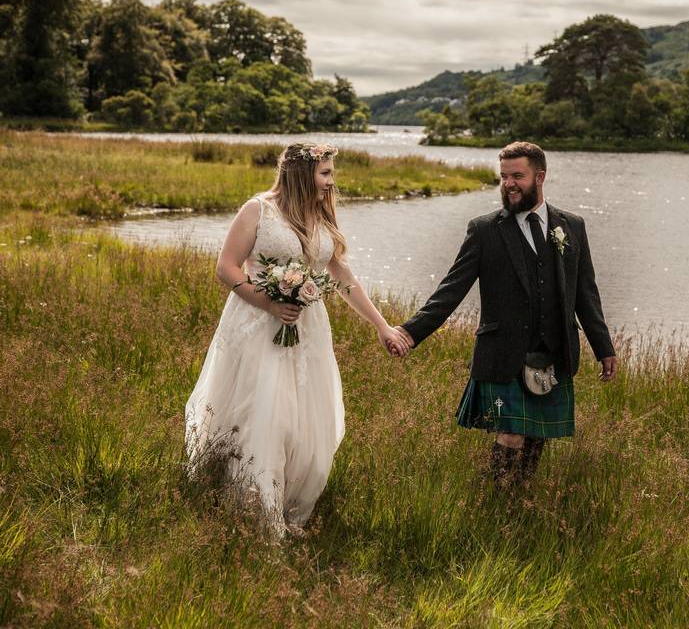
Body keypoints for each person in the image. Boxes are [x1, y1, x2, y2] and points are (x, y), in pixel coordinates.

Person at [185, 142, 409, 537]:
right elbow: (226, 267)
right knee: (267, 414)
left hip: (308, 330)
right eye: (325, 173)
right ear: (301, 174)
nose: (330, 181)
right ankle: (259, 512)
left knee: (305, 418)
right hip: (258, 325)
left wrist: (381, 325)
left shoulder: (321, 215)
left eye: (330, 173)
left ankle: (290, 505)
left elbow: (342, 277)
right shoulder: (258, 209)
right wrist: (268, 304)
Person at [392, 141, 617, 487]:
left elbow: (585, 292)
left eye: (517, 176)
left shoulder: (572, 226)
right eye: (503, 177)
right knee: (511, 432)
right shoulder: (485, 230)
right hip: (503, 354)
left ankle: (521, 493)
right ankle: (496, 497)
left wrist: (604, 347)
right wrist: (410, 331)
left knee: (537, 435)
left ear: (540, 177)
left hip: (553, 352)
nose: (508, 184)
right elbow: (451, 288)